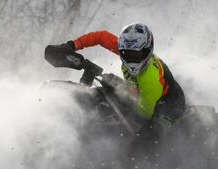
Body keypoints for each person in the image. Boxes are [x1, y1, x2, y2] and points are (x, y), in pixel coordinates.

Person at [64, 23, 186, 154]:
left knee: (145, 139)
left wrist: (120, 94)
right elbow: (100, 37)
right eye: (126, 53)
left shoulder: (151, 79)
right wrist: (72, 45)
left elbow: (142, 115)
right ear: (120, 48)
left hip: (168, 107)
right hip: (142, 92)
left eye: (137, 54)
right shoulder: (127, 46)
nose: (131, 58)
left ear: (147, 50)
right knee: (104, 94)